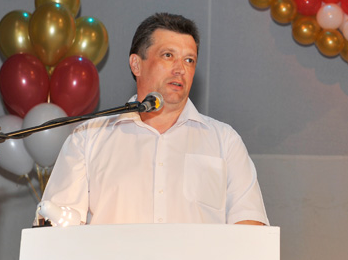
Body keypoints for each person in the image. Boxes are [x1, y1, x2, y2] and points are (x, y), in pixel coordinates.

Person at [40, 13, 268, 226]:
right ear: (136, 64)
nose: (180, 69)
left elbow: (250, 227)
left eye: (189, 60)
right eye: (168, 56)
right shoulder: (88, 137)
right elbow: (54, 225)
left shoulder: (224, 142)